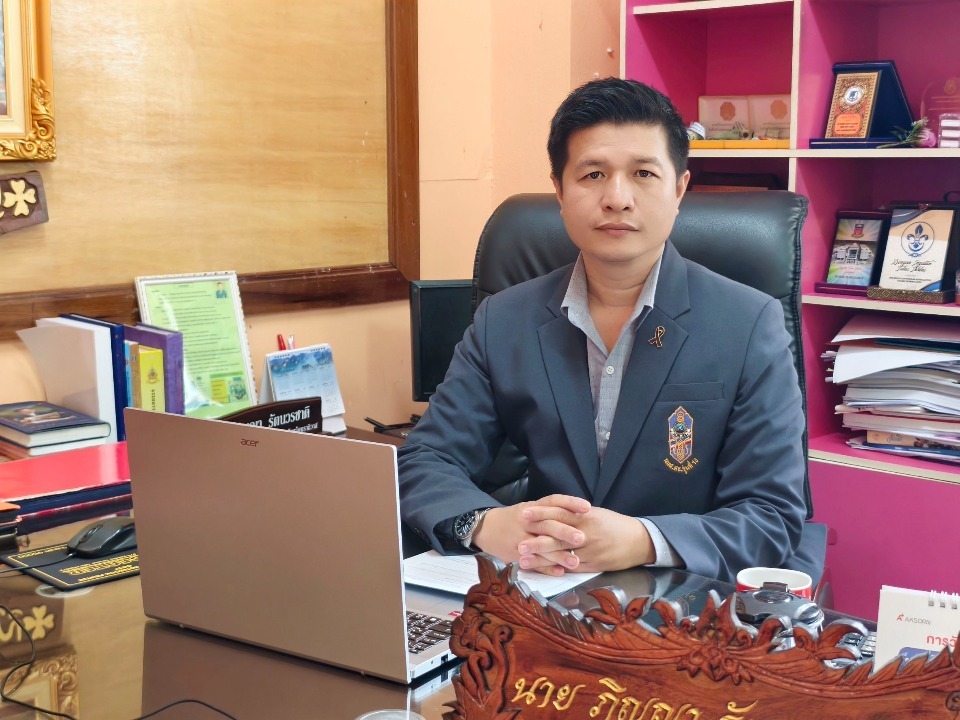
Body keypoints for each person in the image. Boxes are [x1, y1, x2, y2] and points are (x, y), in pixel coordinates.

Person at [397, 78, 807, 584]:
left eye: (643, 174)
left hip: (681, 600)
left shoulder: (748, 323)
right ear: (559, 190)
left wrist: (642, 539)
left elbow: (771, 515)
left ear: (679, 189)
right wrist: (486, 524)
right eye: (593, 174)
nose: (617, 198)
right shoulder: (504, 319)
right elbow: (425, 459)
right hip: (544, 592)